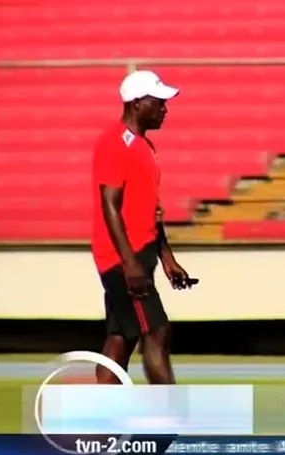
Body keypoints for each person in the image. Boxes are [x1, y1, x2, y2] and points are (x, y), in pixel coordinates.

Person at [90, 69, 196, 386]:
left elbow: (152, 210)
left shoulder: (144, 146)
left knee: (121, 337)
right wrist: (129, 263)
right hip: (123, 259)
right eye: (158, 102)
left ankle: (97, 410)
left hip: (140, 254)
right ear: (137, 104)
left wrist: (167, 257)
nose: (165, 108)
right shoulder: (114, 143)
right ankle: (170, 411)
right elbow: (109, 205)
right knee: (156, 330)